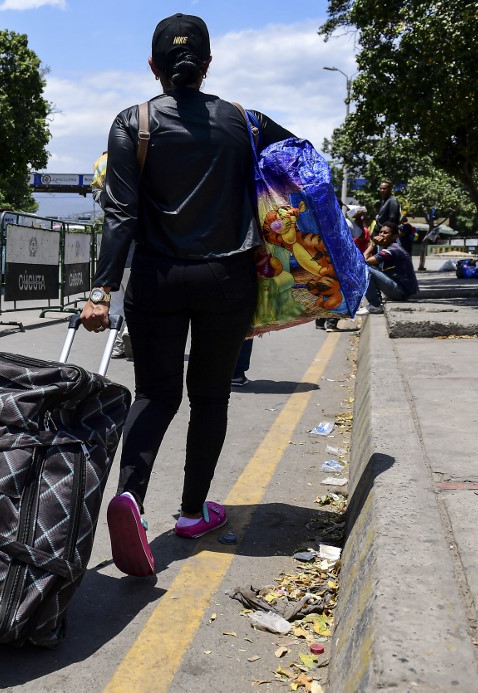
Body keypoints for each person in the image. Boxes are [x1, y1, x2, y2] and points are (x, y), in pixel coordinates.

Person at [79, 13, 295, 576]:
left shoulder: (134, 123)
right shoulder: (245, 123)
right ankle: (195, 511)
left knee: (155, 393)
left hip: (155, 278)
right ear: (207, 64)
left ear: (153, 67)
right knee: (211, 395)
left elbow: (120, 215)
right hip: (228, 279)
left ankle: (130, 500)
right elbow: (302, 165)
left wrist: (102, 289)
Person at [359, 223, 419, 314]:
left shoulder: (391, 250)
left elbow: (363, 260)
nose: (382, 235)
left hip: (401, 292)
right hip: (402, 290)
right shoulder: (391, 247)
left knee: (366, 269)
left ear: (394, 236)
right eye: (381, 232)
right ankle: (375, 301)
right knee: (371, 267)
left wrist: (373, 244)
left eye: (386, 233)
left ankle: (375, 305)